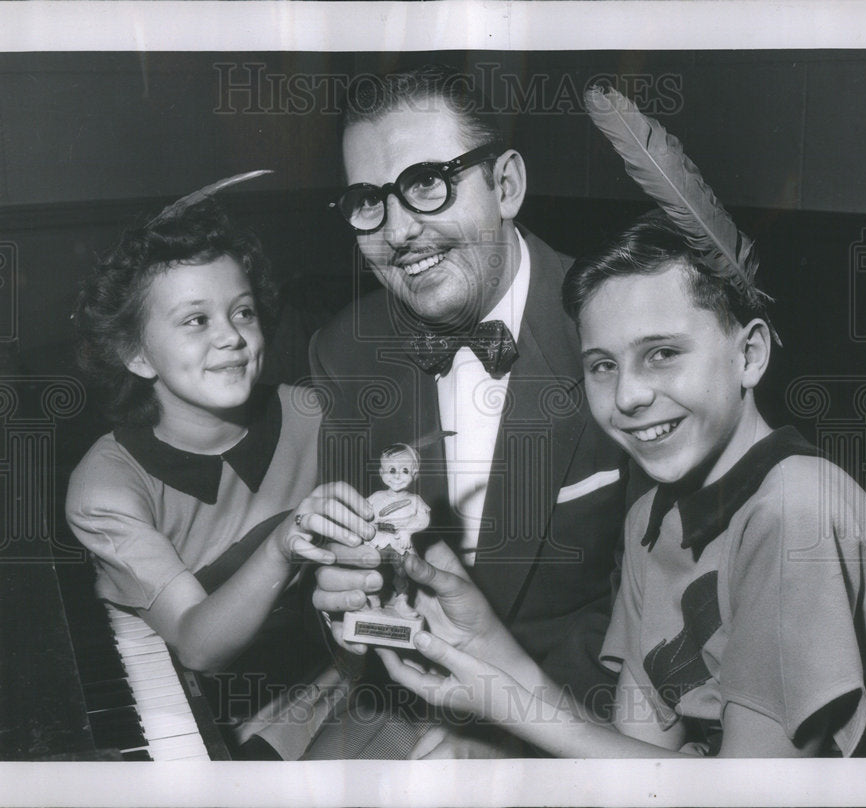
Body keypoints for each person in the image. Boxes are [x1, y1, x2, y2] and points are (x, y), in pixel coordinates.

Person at [376, 208, 866, 757]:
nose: (627, 397)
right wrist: (487, 649)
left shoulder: (795, 508)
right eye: (602, 366)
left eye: (662, 354)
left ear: (750, 354)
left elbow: (753, 794)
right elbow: (636, 756)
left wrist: (508, 715)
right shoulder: (652, 519)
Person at [308, 64, 629, 757]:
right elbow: (365, 589)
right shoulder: (344, 352)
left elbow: (663, 617)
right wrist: (344, 602)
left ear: (505, 185)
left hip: (585, 718)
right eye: (369, 201)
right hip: (403, 698)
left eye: (426, 184)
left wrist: (511, 733)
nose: (398, 232)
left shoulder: (618, 332)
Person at [65, 196, 374, 735]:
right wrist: (283, 542)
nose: (230, 335)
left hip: (345, 678)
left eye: (243, 311)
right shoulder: (107, 488)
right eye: (195, 320)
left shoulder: (318, 414)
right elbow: (198, 645)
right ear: (136, 354)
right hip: (207, 721)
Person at [366, 443, 430, 614]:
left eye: (405, 471)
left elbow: (423, 519)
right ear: (382, 473)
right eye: (392, 470)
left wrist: (407, 532)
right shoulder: (376, 497)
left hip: (401, 542)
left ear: (415, 475)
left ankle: (402, 600)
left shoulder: (415, 500)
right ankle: (372, 599)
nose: (397, 476)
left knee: (403, 571)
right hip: (376, 540)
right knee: (372, 567)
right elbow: (363, 515)